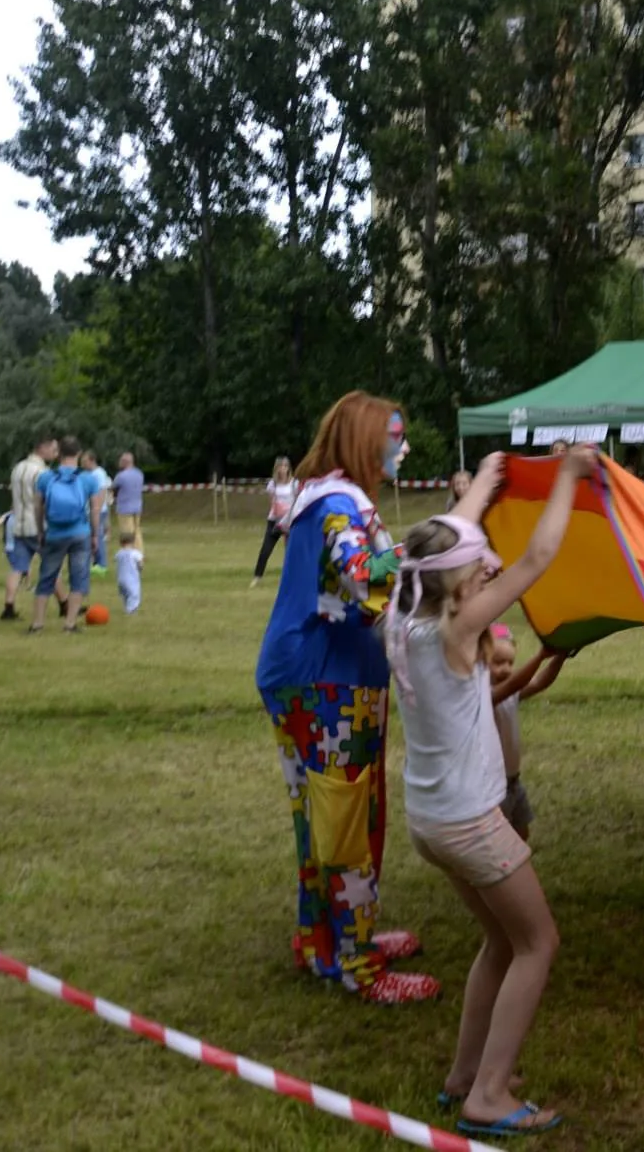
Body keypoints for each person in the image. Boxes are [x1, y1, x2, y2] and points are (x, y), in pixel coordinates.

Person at [388, 443, 595, 1138]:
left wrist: (483, 482)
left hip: (431, 820)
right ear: (456, 587)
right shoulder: (459, 626)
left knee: (500, 942)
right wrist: (566, 478)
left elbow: (448, 537)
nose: (492, 568)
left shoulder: (406, 608)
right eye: (481, 568)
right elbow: (536, 560)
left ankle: (465, 1076)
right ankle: (490, 1095)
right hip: (471, 822)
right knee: (539, 942)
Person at [256, 392, 436, 1003]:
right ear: (365, 441)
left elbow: (337, 589)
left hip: (308, 673)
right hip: (328, 684)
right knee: (348, 823)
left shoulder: (321, 497)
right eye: (394, 435)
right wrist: (429, 555)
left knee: (321, 820)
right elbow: (362, 579)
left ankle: (323, 943)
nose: (403, 446)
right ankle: (361, 967)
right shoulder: (338, 505)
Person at [488, 624, 569, 841]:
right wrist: (541, 655)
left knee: (521, 834)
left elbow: (539, 682)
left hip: (514, 781)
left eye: (510, 663)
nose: (505, 669)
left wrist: (559, 658)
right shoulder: (482, 696)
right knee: (500, 841)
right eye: (497, 663)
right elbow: (517, 682)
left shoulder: (511, 692)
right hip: (492, 784)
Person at [29, 436, 101, 636]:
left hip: (54, 534)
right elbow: (95, 510)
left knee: (47, 578)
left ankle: (37, 625)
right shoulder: (88, 479)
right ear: (79, 454)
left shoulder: (45, 478)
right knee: (78, 579)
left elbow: (38, 507)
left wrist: (41, 530)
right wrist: (95, 535)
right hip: (80, 533)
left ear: (59, 453)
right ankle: (69, 625)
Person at [2, 433, 54, 622]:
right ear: (42, 448)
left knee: (17, 567)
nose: (55, 454)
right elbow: (46, 500)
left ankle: (8, 606)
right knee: (51, 564)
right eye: (52, 449)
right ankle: (65, 603)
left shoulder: (18, 468)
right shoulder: (42, 472)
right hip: (37, 525)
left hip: (18, 524)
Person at [252, 457, 299, 588]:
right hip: (275, 521)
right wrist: (279, 515)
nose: (283, 469)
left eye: (285, 466)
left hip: (290, 522)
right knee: (266, 550)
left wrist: (289, 517)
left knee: (291, 551)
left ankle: (292, 579)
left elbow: (297, 502)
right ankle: (257, 577)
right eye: (280, 466)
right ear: (276, 468)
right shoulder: (273, 484)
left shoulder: (294, 483)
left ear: (289, 468)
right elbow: (272, 502)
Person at [79, 449, 112, 573]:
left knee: (97, 536)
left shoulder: (98, 474)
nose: (82, 464)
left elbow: (102, 492)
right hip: (91, 510)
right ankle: (95, 562)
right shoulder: (90, 474)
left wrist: (97, 508)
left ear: (92, 460)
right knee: (92, 536)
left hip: (96, 511)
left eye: (84, 461)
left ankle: (101, 564)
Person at [113, 452, 145, 556]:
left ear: (125, 462)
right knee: (137, 530)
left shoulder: (121, 476)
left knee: (127, 532)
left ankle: (129, 553)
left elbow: (115, 490)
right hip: (137, 506)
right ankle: (139, 551)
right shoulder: (139, 474)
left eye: (121, 461)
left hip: (124, 507)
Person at [116, 527, 145, 616]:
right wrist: (140, 568)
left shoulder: (119, 553)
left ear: (121, 543)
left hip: (121, 579)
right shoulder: (135, 553)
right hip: (131, 579)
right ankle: (130, 611)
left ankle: (127, 607)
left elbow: (117, 560)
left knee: (125, 595)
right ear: (133, 542)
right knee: (134, 595)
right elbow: (140, 563)